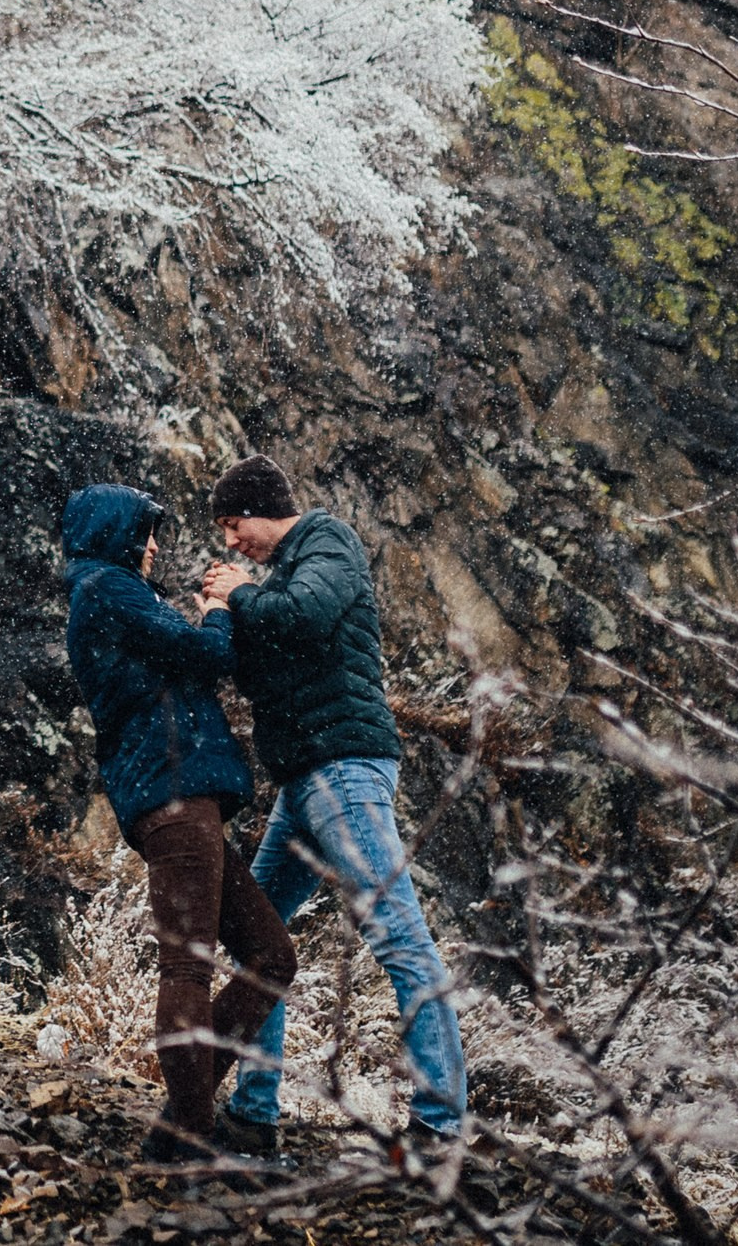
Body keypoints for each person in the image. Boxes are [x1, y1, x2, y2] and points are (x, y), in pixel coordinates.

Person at [197, 455, 467, 1155]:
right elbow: (267, 661)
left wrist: (242, 593)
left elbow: (305, 616)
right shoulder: (284, 575)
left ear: (261, 508)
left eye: (233, 524)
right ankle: (253, 1113)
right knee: (260, 942)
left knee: (402, 940)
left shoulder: (327, 541)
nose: (231, 541)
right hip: (306, 781)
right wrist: (220, 616)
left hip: (342, 769)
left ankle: (440, 1129)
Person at [63, 484, 297, 1162]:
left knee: (272, 957)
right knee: (187, 970)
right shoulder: (107, 588)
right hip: (172, 792)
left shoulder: (108, 595)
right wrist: (218, 611)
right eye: (145, 532)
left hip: (182, 794)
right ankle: (195, 1137)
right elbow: (208, 656)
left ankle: (181, 1123)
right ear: (114, 534)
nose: (154, 546)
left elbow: (184, 661)